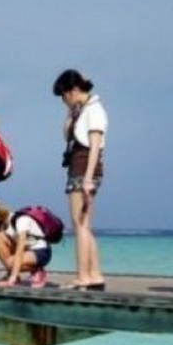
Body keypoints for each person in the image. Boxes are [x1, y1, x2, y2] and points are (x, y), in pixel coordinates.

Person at [54, 69, 107, 291]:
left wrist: (87, 179)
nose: (64, 101)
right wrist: (70, 114)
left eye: (64, 96)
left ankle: (83, 276)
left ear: (73, 91)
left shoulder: (94, 110)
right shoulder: (82, 110)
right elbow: (66, 136)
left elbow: (95, 144)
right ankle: (94, 275)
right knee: (84, 224)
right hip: (79, 166)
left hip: (85, 167)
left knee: (80, 223)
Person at [0, 201, 51, 288]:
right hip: (27, 250)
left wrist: (12, 279)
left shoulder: (21, 221)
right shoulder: (2, 226)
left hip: (41, 252)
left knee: (11, 263)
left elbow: (20, 250)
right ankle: (14, 275)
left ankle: (37, 270)